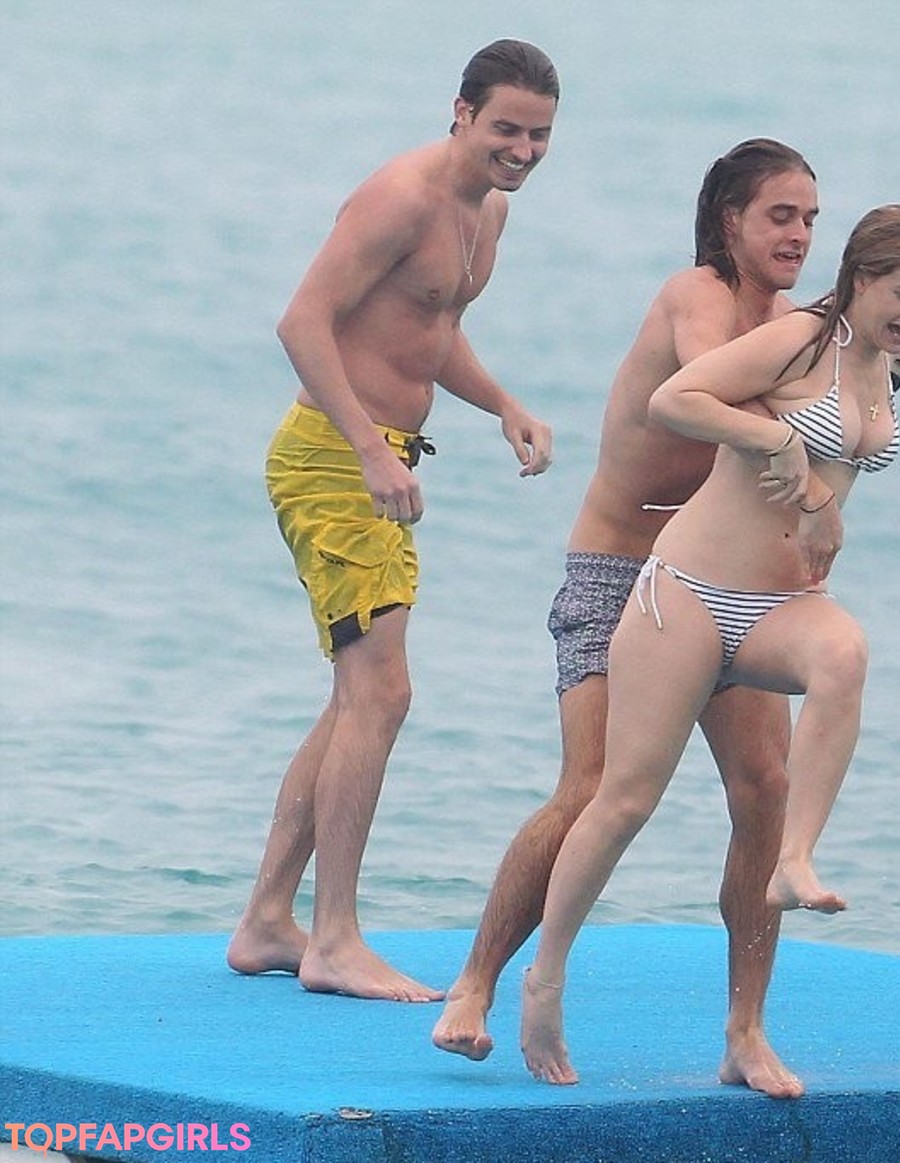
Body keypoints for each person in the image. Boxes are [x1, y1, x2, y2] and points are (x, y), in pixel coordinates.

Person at [434, 140, 900, 1094]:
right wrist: (852, 387)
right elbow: (728, 395)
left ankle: (746, 1030)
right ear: (730, 221)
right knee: (598, 788)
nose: (798, 234)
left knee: (764, 790)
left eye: (811, 218)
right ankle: (481, 983)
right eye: (779, 216)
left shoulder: (816, 330)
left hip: (758, 592)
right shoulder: (706, 303)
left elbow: (838, 396)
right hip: (626, 568)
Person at [226, 40, 559, 1002]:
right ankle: (333, 938)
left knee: (357, 695)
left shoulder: (487, 211)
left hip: (382, 463)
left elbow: (429, 331)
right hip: (335, 462)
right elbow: (302, 321)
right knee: (382, 692)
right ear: (461, 113)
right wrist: (370, 449)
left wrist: (501, 403)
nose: (522, 151)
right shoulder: (401, 198)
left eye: (539, 135)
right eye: (505, 129)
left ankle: (268, 920)